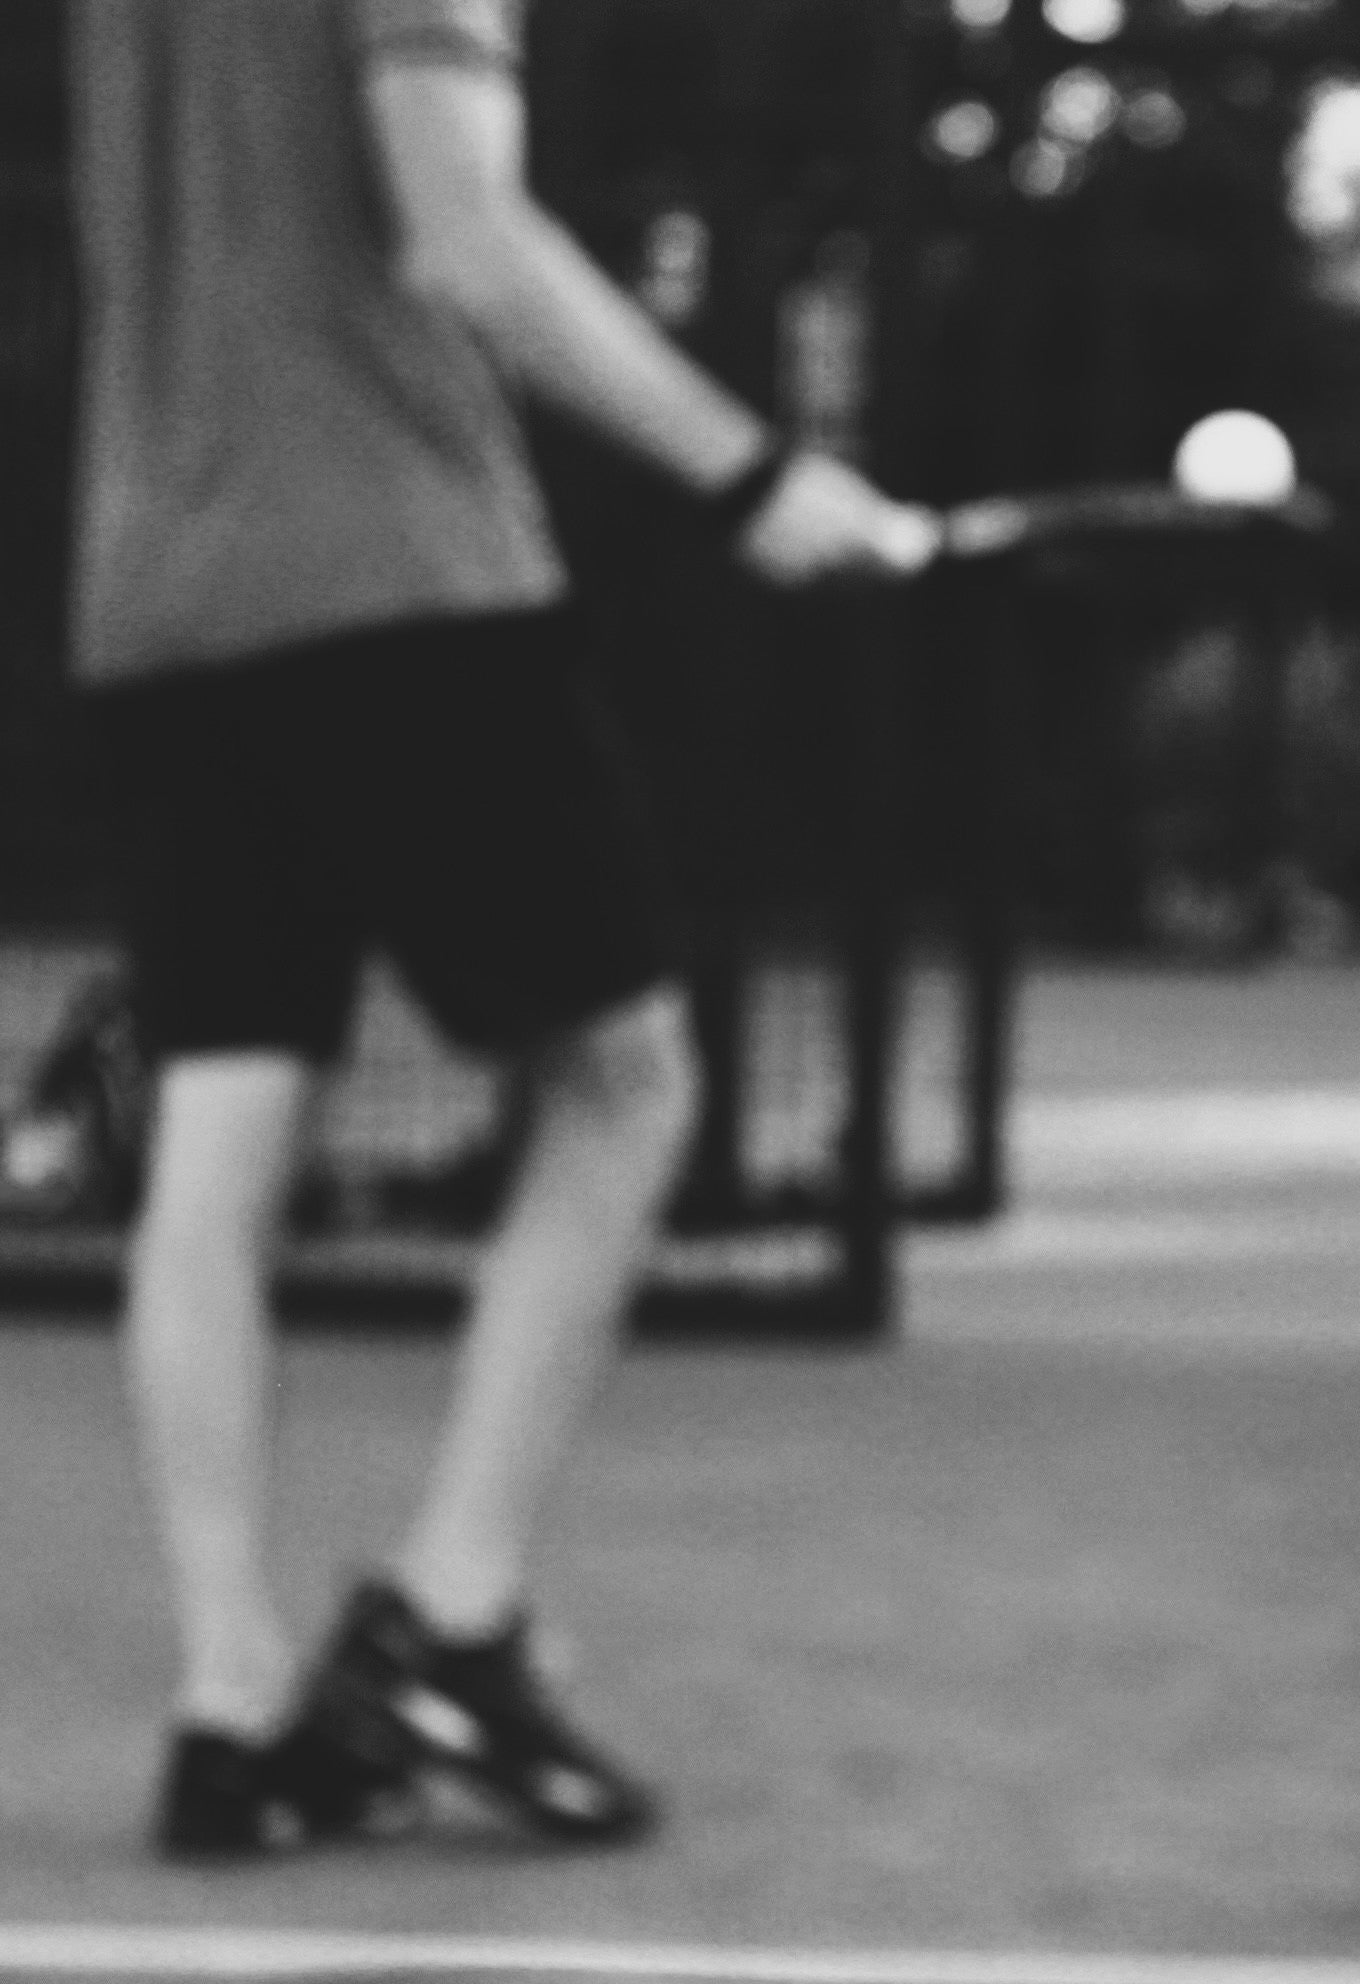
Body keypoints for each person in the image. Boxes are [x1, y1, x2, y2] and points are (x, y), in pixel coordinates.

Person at [68, 0, 938, 1859]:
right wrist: (754, 473)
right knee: (627, 1089)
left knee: (217, 1143)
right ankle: (457, 1619)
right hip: (400, 576)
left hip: (153, 589)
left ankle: (231, 1703)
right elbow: (467, 236)